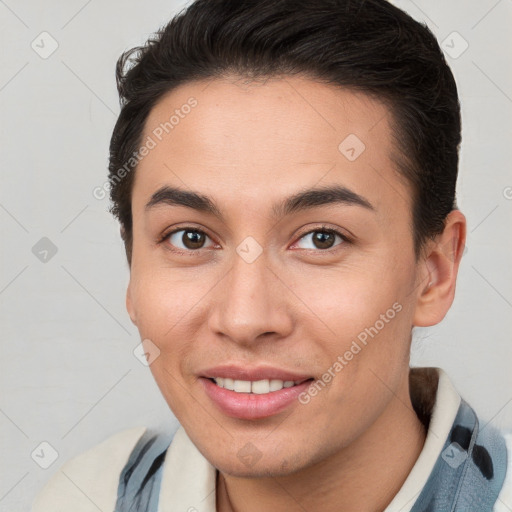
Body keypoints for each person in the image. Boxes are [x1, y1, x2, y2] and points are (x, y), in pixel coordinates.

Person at [32, 0, 512, 510]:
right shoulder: (86, 497)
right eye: (190, 238)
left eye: (321, 238)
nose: (244, 319)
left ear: (435, 272)